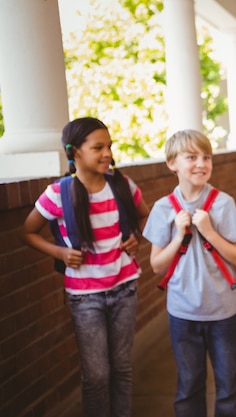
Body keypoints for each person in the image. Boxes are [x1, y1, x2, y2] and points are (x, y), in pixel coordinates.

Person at [21, 117, 149, 417]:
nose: (107, 153)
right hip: (85, 297)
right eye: (98, 147)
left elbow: (144, 215)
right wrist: (60, 252)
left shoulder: (121, 185)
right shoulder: (58, 194)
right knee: (96, 376)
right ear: (74, 151)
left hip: (125, 287)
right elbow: (26, 232)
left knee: (121, 369)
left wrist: (134, 237)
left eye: (109, 146)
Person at [142, 129, 236, 417]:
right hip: (183, 312)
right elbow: (156, 264)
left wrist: (210, 231)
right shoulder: (163, 209)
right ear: (172, 163)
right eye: (192, 157)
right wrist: (178, 236)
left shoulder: (223, 203)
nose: (201, 164)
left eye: (207, 157)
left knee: (228, 386)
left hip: (222, 312)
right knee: (189, 386)